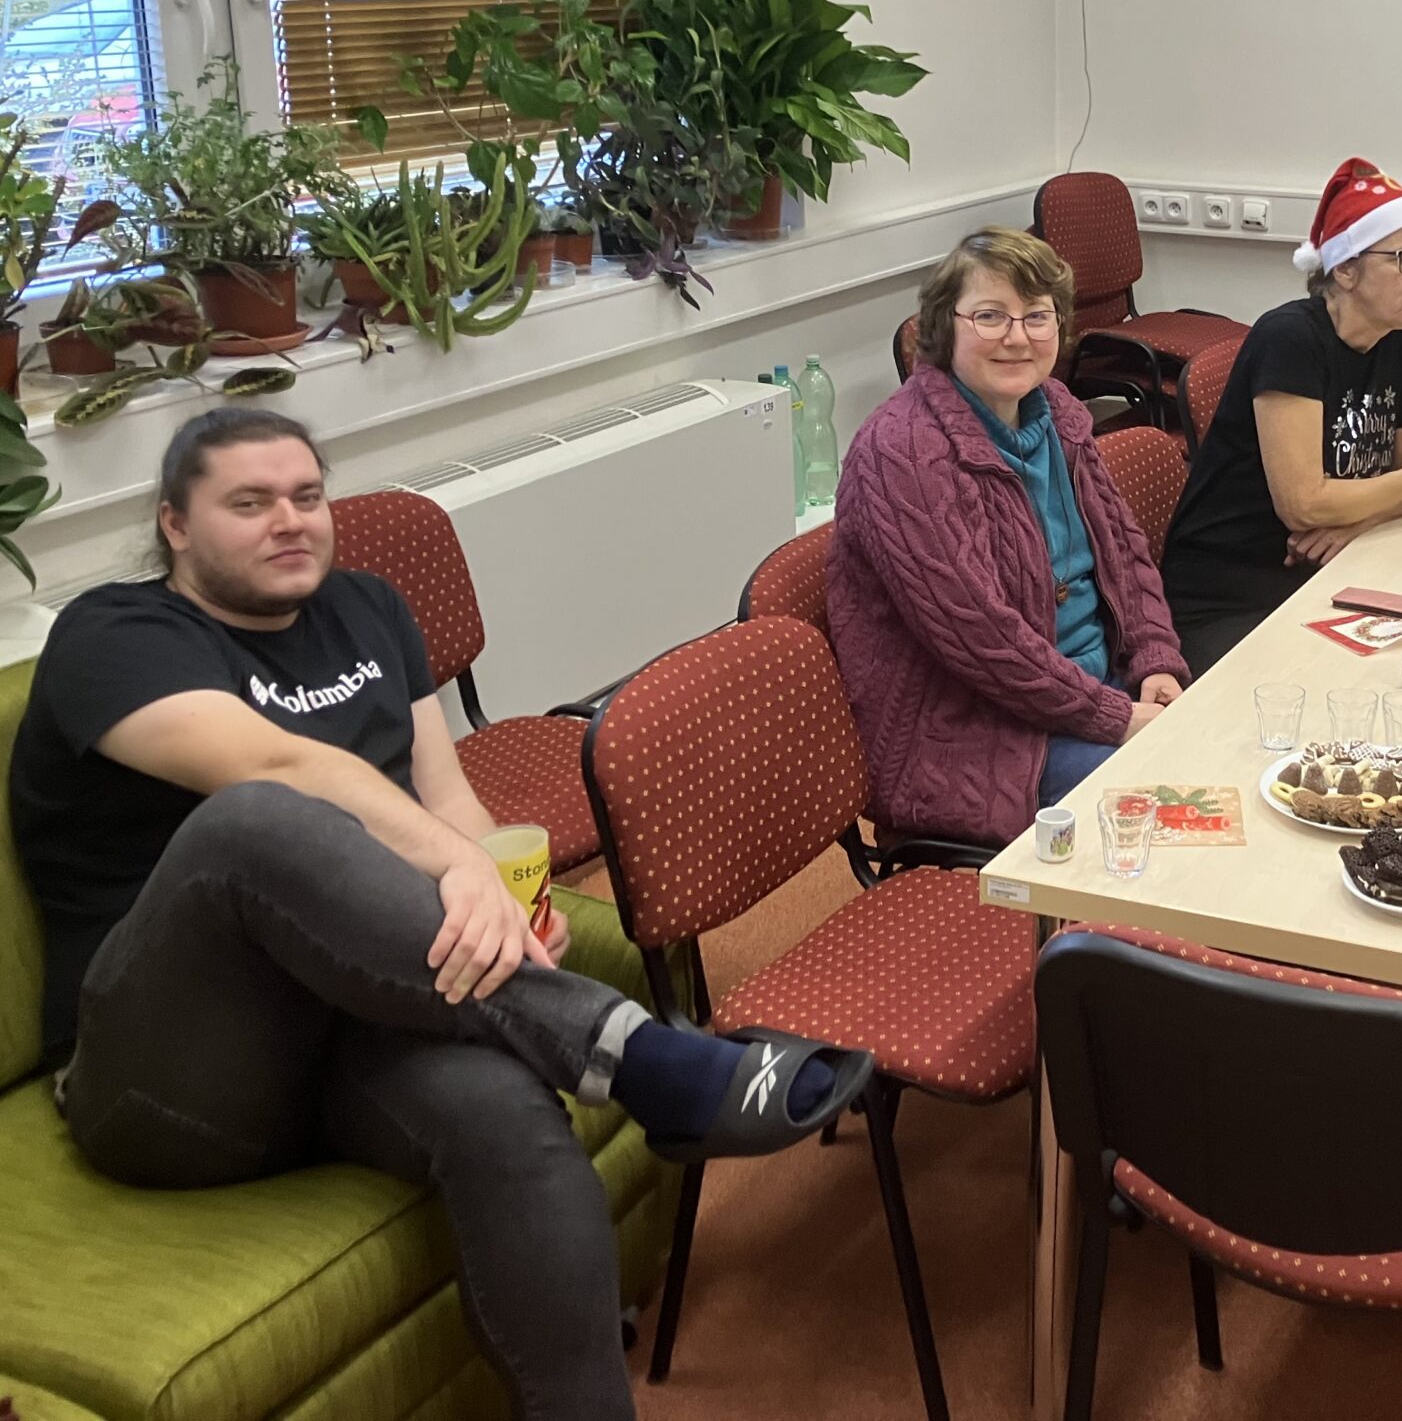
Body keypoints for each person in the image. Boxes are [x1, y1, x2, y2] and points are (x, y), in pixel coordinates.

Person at [9, 409, 864, 1420]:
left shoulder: (367, 607)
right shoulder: (113, 637)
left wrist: (513, 907)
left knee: (501, 1109)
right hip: (167, 1073)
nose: (289, 520)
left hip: (347, 1016)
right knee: (255, 821)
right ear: (175, 526)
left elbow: (448, 799)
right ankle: (641, 1058)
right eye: (249, 502)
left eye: (307, 496)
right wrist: (455, 868)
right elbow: (274, 765)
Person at [829, 227, 1188, 845]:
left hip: (1096, 688)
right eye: (990, 316)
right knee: (1176, 818)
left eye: (1036, 316)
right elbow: (983, 641)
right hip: (981, 733)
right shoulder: (904, 453)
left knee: (1241, 752)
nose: (1017, 337)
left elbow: (1124, 551)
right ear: (944, 326)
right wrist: (1116, 717)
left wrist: (1155, 656)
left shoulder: (1057, 410)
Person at [1160, 157, 1402, 672]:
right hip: (1231, 592)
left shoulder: (1399, 334)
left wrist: (1359, 519)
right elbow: (1305, 506)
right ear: (1345, 269)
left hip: (1327, 568)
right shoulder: (1290, 340)